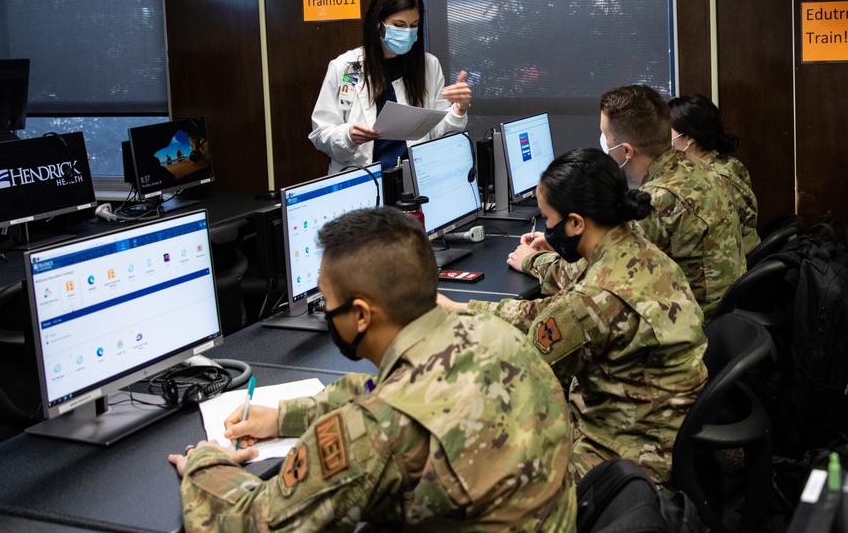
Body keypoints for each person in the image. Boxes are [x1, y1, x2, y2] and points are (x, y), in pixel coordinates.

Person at [168, 207, 576, 532]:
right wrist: (284, 416)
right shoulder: (489, 331)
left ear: (360, 315)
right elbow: (386, 387)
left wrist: (207, 465)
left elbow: (255, 521)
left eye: (327, 301)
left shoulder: (373, 432)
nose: (326, 312)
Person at [438, 148, 708, 486]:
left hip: (626, 457)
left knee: (480, 458)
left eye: (548, 220)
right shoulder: (634, 250)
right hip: (661, 426)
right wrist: (465, 309)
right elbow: (555, 314)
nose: (547, 228)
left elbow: (521, 362)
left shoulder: (596, 300)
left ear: (576, 223)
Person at [515, 85, 745, 321]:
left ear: (625, 150)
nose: (602, 142)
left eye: (605, 135)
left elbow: (589, 274)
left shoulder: (659, 200)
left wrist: (530, 260)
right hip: (723, 316)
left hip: (696, 324)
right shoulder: (698, 166)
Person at [309, 0, 472, 173]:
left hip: (412, 178)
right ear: (379, 23)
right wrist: (348, 136)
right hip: (362, 180)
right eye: (399, 25)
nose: (407, 32)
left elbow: (437, 134)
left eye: (414, 25)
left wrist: (458, 110)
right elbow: (321, 134)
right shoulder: (345, 69)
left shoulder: (428, 65)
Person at [669, 93, 761, 255]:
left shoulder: (710, 179)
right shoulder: (725, 162)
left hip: (730, 262)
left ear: (689, 138)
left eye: (669, 132)